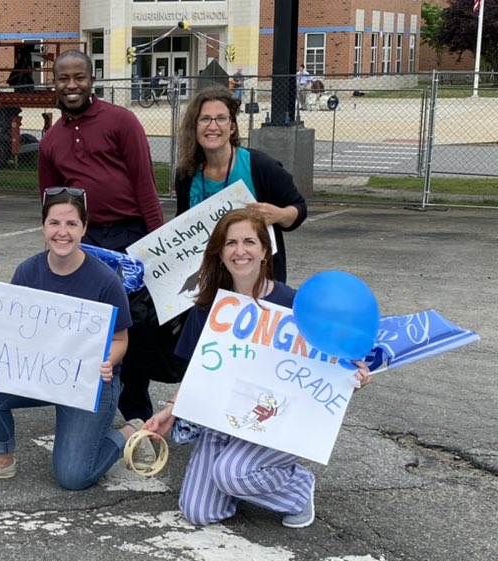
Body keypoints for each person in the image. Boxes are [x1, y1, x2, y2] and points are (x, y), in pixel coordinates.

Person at [143, 208, 371, 527]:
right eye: (231, 243)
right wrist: (171, 410)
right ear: (219, 254)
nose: (240, 251)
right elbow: (199, 374)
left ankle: (296, 488)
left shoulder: (296, 305)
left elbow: (331, 366)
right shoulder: (207, 308)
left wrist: (353, 377)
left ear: (265, 250)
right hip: (223, 419)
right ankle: (242, 484)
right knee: (198, 511)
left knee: (231, 473)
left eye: (249, 241)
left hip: (278, 423)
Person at [0, 187, 155, 491]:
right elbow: (4, 331)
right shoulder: (28, 272)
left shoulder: (105, 280)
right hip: (43, 375)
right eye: (54, 223)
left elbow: (120, 340)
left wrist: (108, 362)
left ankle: (130, 431)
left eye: (72, 224)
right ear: (43, 226)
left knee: (74, 477)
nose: (63, 232)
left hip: (89, 381)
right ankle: (1, 459)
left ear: (85, 228)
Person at [38, 49, 166, 423]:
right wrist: (54, 248)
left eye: (79, 77)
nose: (72, 85)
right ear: (55, 83)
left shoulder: (121, 121)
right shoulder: (51, 141)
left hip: (129, 236)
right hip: (86, 242)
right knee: (87, 327)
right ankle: (86, 406)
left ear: (92, 80)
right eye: (64, 78)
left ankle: (135, 414)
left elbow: (146, 186)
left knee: (133, 327)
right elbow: (49, 203)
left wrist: (156, 246)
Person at [175, 86, 306, 283]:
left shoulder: (260, 167)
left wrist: (279, 215)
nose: (212, 126)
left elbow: (299, 209)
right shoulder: (186, 175)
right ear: (194, 127)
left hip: (258, 281)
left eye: (221, 118)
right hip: (206, 281)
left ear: (232, 126)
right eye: (204, 119)